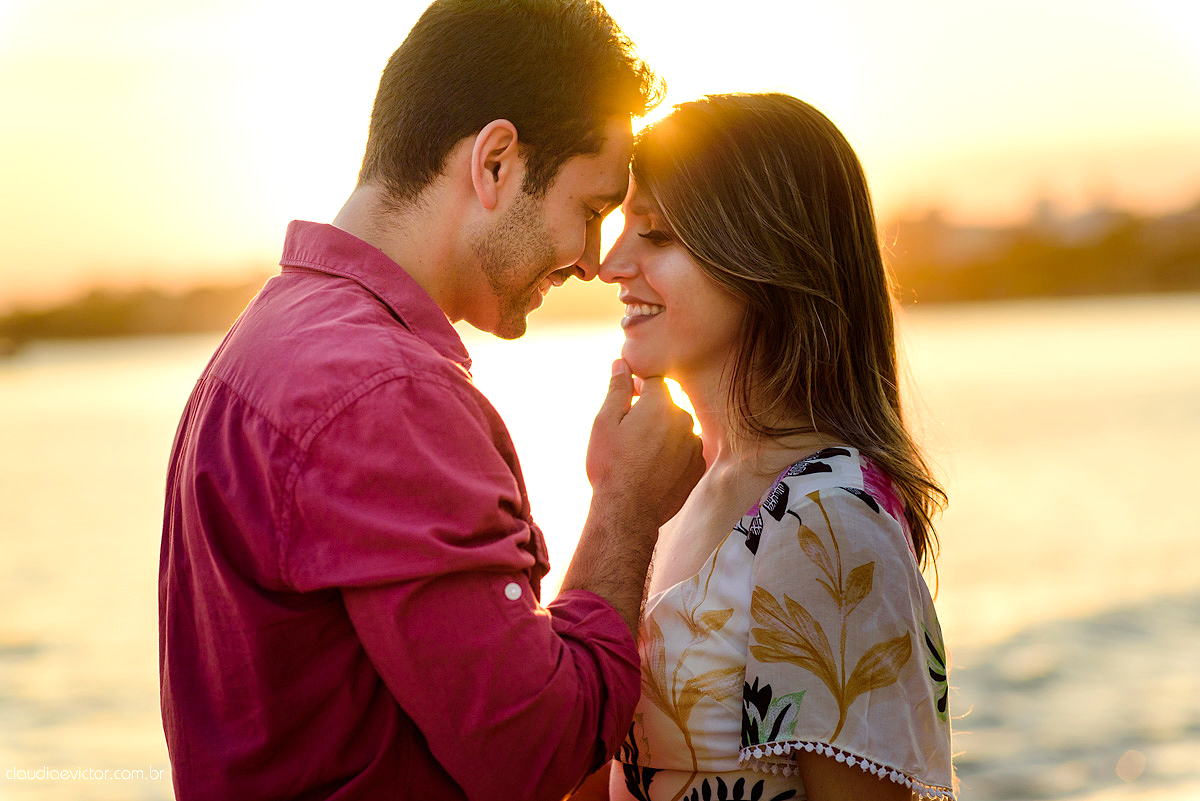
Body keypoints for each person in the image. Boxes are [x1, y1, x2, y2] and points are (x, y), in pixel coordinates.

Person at [157, 2, 705, 800]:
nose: (592, 260)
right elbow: (535, 752)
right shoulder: (385, 394)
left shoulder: (262, 345)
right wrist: (625, 507)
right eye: (589, 211)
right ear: (495, 164)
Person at [586, 93, 956, 800]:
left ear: (760, 253)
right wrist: (614, 496)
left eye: (656, 234)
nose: (611, 265)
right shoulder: (674, 490)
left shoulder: (828, 518)